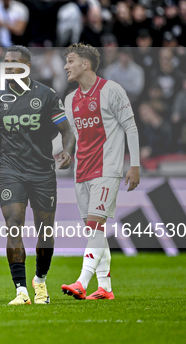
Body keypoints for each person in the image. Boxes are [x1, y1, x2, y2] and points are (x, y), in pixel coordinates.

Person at [0, 46, 75, 305]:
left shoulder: (46, 95)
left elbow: (67, 131)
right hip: (11, 171)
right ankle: (21, 291)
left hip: (43, 171)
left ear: (27, 67)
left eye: (14, 63)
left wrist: (67, 151)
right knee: (14, 224)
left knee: (45, 232)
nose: (9, 67)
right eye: (6, 63)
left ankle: (40, 281)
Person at [61, 43, 140, 300]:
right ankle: (105, 286)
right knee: (95, 231)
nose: (65, 66)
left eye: (70, 60)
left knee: (95, 226)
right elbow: (74, 134)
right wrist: (65, 151)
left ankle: (82, 282)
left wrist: (135, 165)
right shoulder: (70, 99)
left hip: (107, 168)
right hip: (81, 171)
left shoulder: (112, 90)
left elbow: (131, 127)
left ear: (85, 64)